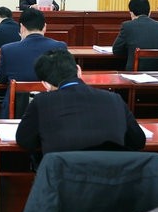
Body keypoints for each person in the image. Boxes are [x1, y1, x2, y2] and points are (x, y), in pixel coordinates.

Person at [16, 50, 145, 156]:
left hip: (63, 178)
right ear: (79, 70)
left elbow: (25, 141)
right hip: (113, 177)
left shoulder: (41, 102)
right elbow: (138, 141)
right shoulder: (114, 99)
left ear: (46, 84)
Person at [0, 8, 67, 117]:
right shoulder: (60, 47)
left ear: (22, 27)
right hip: (52, 111)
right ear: (45, 27)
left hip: (17, 113)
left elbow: (0, 78)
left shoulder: (8, 49)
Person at [111, 0, 158, 71]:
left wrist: (131, 51)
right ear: (149, 12)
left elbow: (116, 51)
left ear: (131, 13)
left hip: (135, 74)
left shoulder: (127, 26)